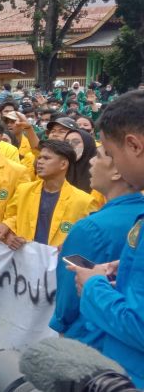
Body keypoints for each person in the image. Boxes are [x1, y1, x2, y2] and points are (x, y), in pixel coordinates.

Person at [68, 90, 144, 387]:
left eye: (110, 154)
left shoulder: (92, 227)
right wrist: (121, 267)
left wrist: (93, 285)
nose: (113, 164)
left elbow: (139, 326)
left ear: (134, 145)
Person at [50, 143, 143, 349]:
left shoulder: (89, 228)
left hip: (90, 338)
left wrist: (62, 325)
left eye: (98, 156)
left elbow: (67, 303)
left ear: (117, 170)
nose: (91, 161)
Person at [0, 140, 98, 249]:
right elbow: (12, 217)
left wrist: (72, 246)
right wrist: (9, 233)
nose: (39, 162)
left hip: (58, 263)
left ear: (63, 164)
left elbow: (92, 238)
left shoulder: (84, 201)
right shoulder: (24, 190)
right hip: (24, 259)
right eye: (39, 157)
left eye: (46, 158)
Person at [64, 129, 98, 193]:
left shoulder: (99, 170)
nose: (70, 145)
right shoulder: (61, 167)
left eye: (76, 142)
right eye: (66, 142)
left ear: (88, 145)